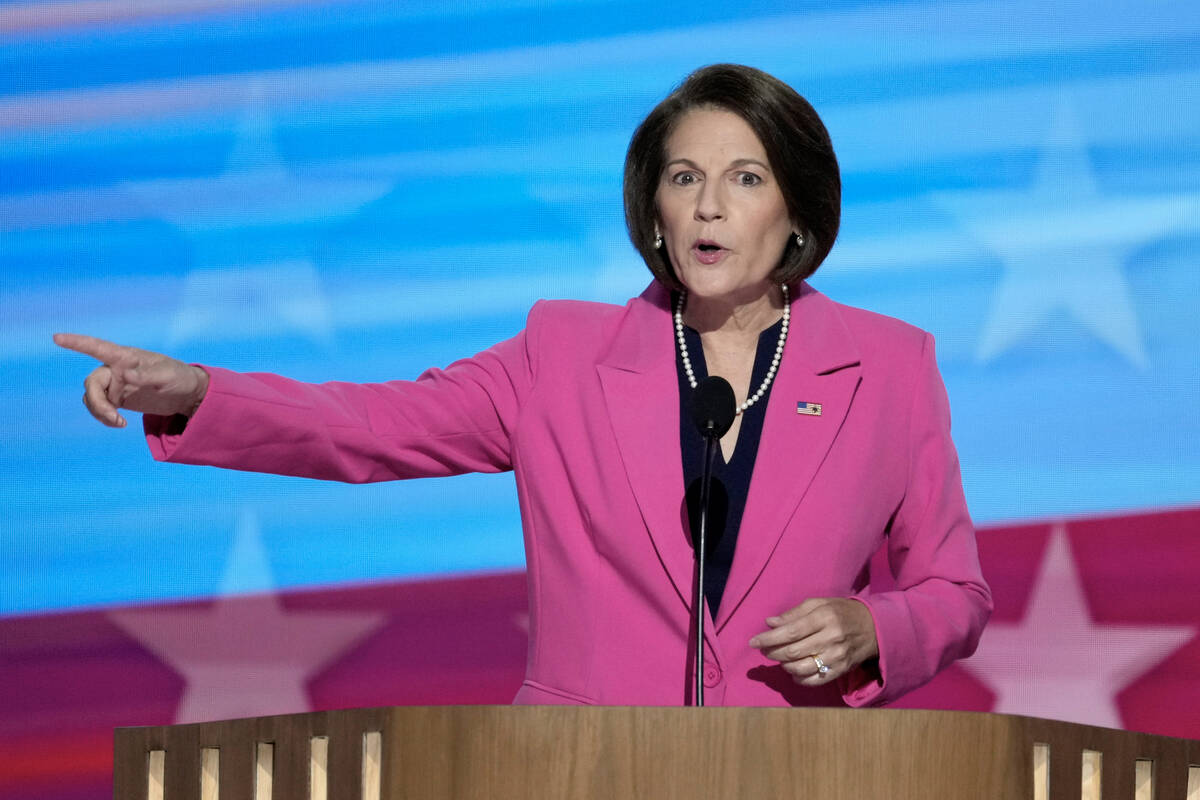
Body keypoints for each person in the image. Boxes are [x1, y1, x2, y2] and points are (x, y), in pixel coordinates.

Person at [55, 64, 991, 707]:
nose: (709, 205)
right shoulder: (564, 355)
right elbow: (375, 426)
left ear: (795, 214)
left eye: (745, 178)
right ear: (655, 214)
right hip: (577, 773)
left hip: (805, 776)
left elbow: (955, 590)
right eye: (684, 177)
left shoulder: (889, 367)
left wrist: (874, 626)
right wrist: (195, 391)